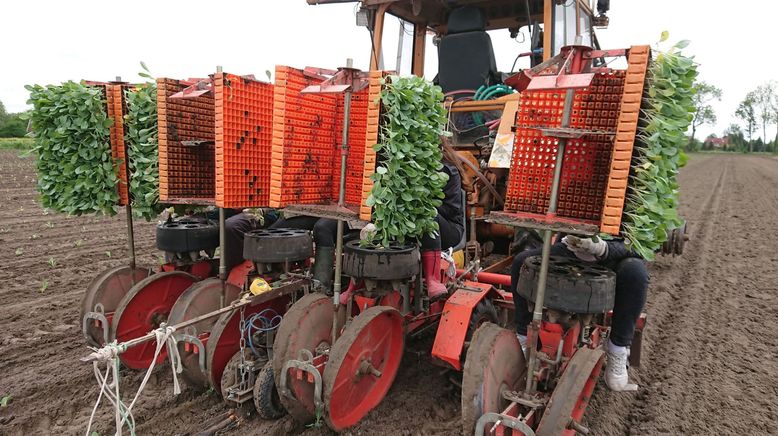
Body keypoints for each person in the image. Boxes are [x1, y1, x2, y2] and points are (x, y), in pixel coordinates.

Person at [510, 235, 648, 392]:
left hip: (617, 255)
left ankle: (617, 347)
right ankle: (524, 337)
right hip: (573, 249)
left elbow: (650, 245)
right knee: (521, 262)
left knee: (636, 275)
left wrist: (605, 249)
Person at [419, 138, 467, 298]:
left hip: (449, 228)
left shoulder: (447, 170)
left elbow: (450, 210)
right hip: (423, 226)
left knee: (428, 214)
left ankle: (432, 280)